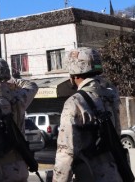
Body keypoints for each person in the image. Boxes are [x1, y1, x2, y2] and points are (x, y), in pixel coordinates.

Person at [52, 47, 123, 182]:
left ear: (74, 73)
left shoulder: (75, 102)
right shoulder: (111, 95)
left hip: (92, 174)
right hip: (115, 171)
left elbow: (66, 152)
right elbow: (117, 133)